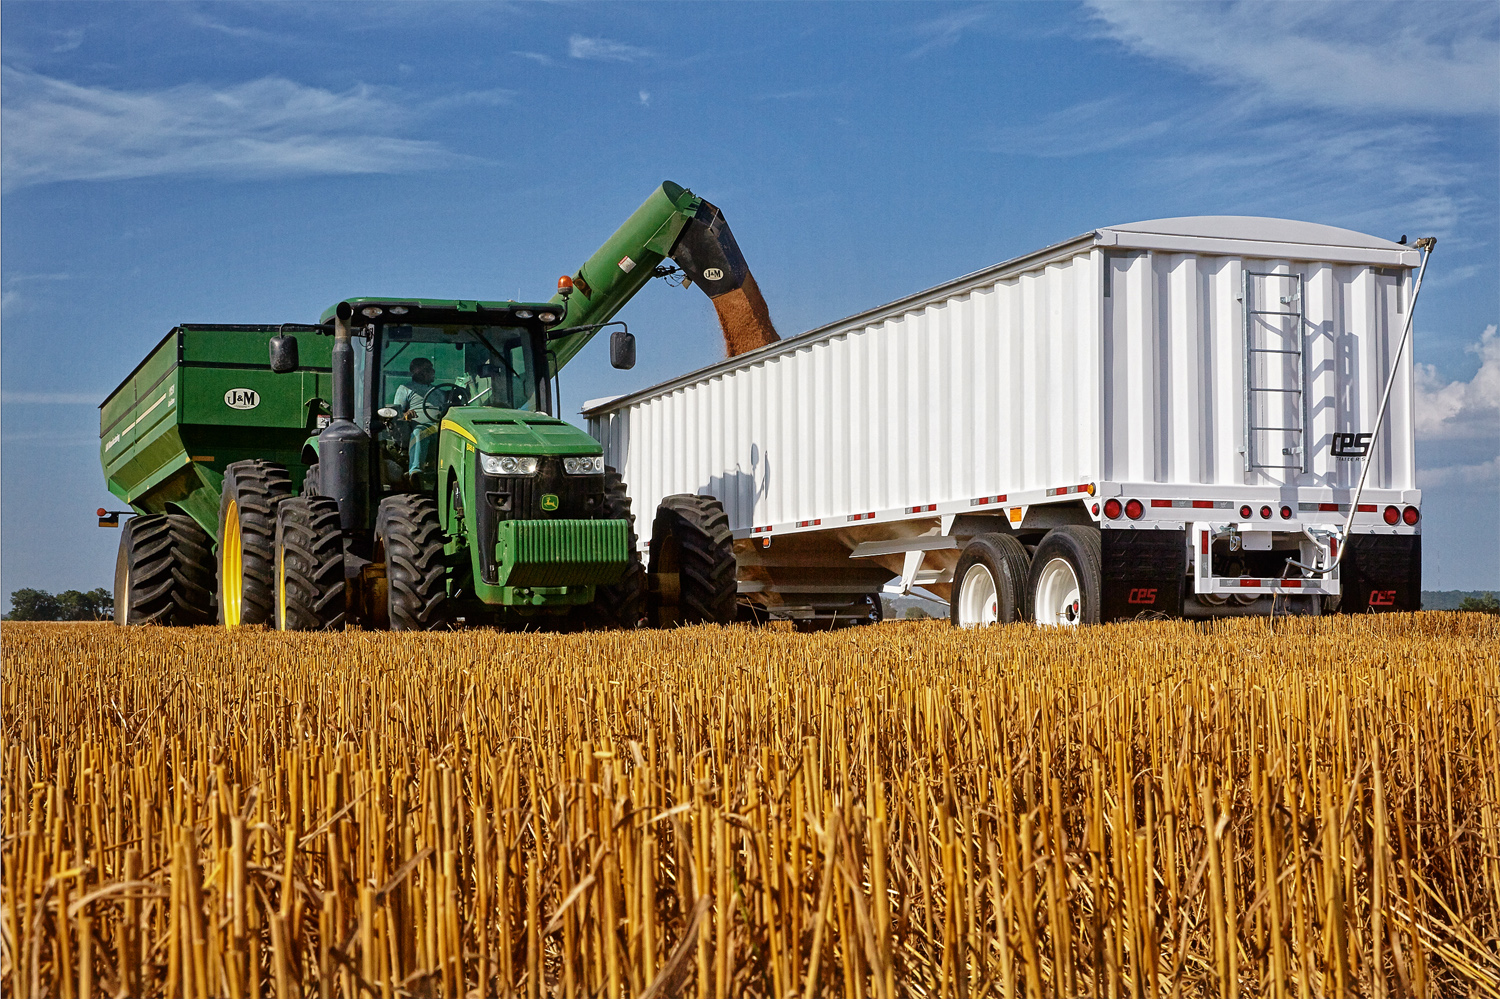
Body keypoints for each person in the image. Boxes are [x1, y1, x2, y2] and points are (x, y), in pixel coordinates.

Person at [391, 357, 445, 477]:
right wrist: (406, 415)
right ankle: (415, 472)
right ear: (416, 372)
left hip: (442, 427)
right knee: (419, 432)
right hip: (422, 427)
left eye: (431, 368)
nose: (432, 371)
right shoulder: (405, 389)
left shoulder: (437, 390)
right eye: (427, 369)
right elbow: (397, 413)